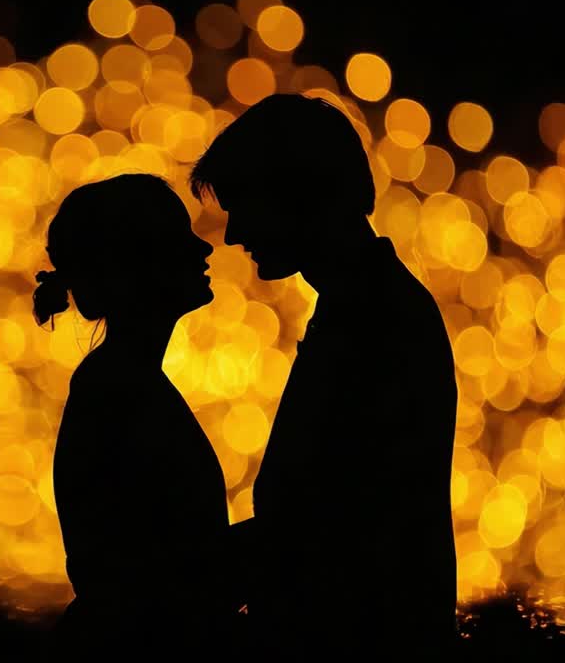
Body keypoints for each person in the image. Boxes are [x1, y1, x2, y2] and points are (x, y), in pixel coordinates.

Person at [190, 94, 458, 657]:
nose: (234, 235)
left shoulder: (374, 320)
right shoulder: (366, 307)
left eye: (245, 205)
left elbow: (336, 526)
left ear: (298, 194)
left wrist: (174, 586)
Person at [37, 173, 240, 659]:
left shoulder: (121, 382)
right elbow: (148, 576)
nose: (203, 250)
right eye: (178, 238)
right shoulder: (119, 392)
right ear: (136, 265)